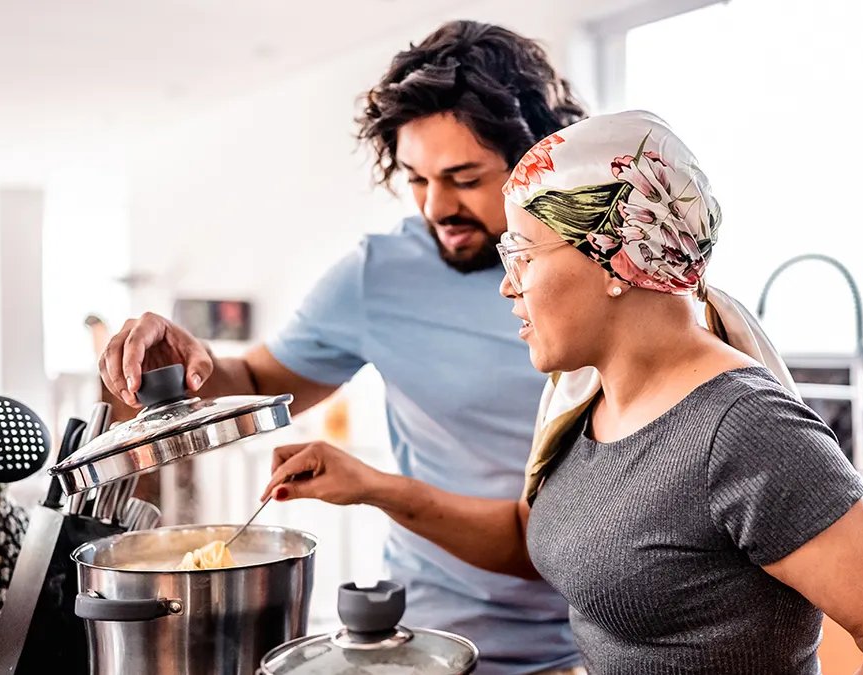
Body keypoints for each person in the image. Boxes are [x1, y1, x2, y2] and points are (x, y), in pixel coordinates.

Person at [261, 111, 863, 674]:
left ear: (613, 259)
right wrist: (370, 484)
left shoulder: (744, 429)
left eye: (524, 253)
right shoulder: (584, 397)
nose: (508, 284)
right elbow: (538, 539)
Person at [99, 20, 586, 675]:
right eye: (415, 178)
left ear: (535, 158)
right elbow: (260, 378)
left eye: (464, 177)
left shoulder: (594, 272)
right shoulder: (377, 275)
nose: (436, 207)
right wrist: (189, 362)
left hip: (592, 638)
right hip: (432, 643)